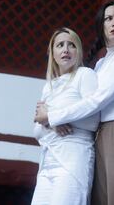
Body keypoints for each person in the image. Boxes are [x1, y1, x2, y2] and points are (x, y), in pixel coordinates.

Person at [35, 1, 114, 205]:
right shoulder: (101, 63)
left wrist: (51, 116)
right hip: (101, 135)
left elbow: (97, 100)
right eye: (109, 18)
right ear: (101, 26)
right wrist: (52, 118)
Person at [31, 27, 99, 205]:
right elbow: (37, 131)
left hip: (72, 162)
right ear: (52, 53)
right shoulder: (49, 87)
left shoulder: (85, 75)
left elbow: (93, 120)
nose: (66, 50)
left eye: (71, 45)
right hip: (47, 164)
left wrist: (50, 116)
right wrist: (51, 123)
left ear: (79, 52)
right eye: (60, 45)